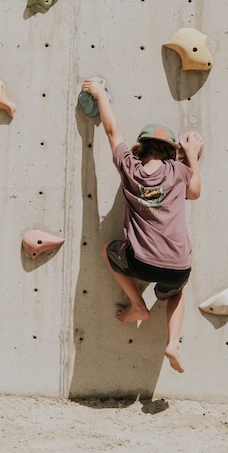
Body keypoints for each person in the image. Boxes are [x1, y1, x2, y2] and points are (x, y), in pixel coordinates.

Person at [82, 78, 202, 373]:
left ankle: (138, 304)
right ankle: (172, 342)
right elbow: (195, 191)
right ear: (169, 152)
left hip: (140, 263)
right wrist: (192, 156)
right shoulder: (178, 171)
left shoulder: (129, 167)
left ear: (141, 149)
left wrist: (100, 95)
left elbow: (112, 131)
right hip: (178, 265)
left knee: (108, 251)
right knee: (176, 292)